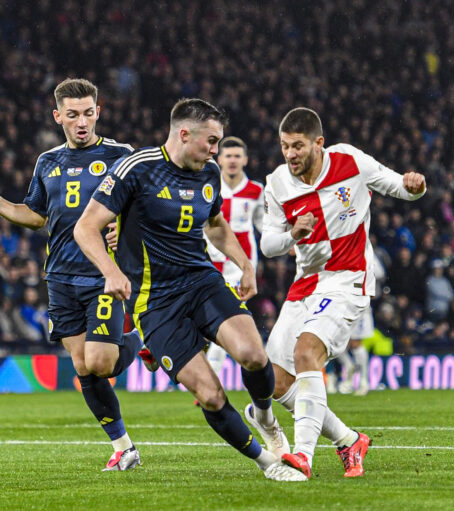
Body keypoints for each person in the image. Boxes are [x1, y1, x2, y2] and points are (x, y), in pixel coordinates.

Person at [74, 98, 304, 482]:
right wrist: (111, 272)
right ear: (184, 134)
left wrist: (246, 264)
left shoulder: (208, 173)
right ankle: (269, 464)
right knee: (210, 395)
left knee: (253, 355)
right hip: (156, 303)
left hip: (202, 281)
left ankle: (264, 416)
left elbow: (215, 224)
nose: (215, 151)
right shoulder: (137, 169)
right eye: (211, 141)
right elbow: (85, 227)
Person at [0, 78, 145, 471]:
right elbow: (36, 216)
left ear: (98, 113)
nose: (82, 122)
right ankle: (123, 447)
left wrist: (125, 229)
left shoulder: (121, 155)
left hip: (103, 275)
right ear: (58, 117)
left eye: (88, 113)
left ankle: (143, 338)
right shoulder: (47, 162)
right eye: (73, 115)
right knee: (82, 367)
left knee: (101, 363)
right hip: (61, 278)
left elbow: (145, 208)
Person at [255, 107, 426, 479]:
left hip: (348, 279)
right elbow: (268, 245)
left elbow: (399, 186)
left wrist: (415, 187)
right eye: (284, 146)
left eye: (298, 146)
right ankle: (349, 440)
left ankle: (302, 457)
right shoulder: (278, 182)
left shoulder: (350, 161)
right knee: (277, 380)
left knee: (306, 352)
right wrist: (293, 235)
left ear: (319, 143)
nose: (290, 154)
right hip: (305, 282)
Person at [204, 136, 265, 377]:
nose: (232, 160)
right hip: (210, 260)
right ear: (219, 159)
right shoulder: (209, 186)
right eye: (228, 155)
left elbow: (263, 225)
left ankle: (212, 375)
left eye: (237, 156)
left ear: (245, 160)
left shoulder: (256, 191)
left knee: (226, 316)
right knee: (213, 316)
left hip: (240, 265)